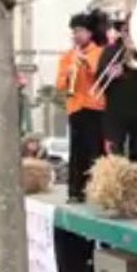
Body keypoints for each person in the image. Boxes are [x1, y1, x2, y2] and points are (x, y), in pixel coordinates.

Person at [58, 12, 106, 202]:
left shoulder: (99, 52)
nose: (76, 35)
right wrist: (69, 72)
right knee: (77, 151)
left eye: (80, 31)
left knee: (95, 150)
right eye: (74, 31)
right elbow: (60, 85)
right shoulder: (67, 57)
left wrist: (86, 64)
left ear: (89, 33)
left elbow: (100, 74)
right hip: (75, 107)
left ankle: (95, 191)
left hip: (95, 106)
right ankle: (75, 191)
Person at [98, 11, 137, 164]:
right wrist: (110, 74)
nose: (129, 34)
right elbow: (100, 82)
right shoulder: (110, 51)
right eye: (126, 30)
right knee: (113, 158)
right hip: (116, 112)